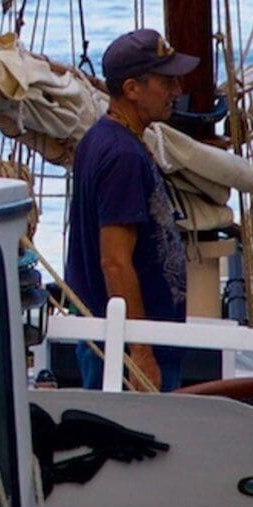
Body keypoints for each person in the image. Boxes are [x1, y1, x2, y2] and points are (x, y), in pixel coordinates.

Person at [61, 28, 202, 391]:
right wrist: (140, 352)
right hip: (126, 351)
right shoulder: (122, 156)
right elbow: (115, 261)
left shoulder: (100, 139)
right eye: (166, 82)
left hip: (119, 342)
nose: (177, 91)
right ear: (132, 89)